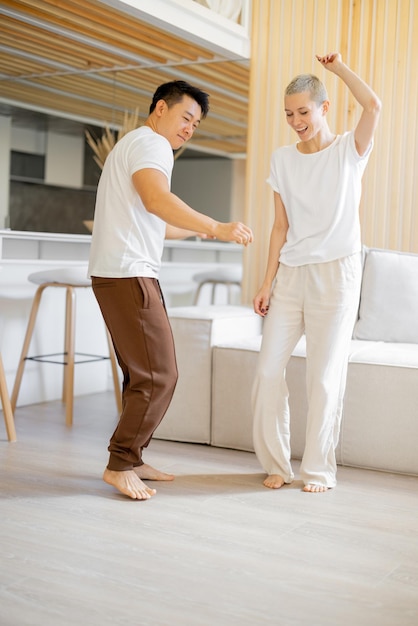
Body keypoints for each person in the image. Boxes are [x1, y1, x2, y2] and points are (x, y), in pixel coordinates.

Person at [88, 80, 253, 500]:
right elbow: (156, 199)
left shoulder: (134, 145)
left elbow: (157, 221)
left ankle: (134, 457)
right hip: (129, 274)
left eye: (196, 124)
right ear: (160, 108)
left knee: (139, 376)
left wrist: (205, 234)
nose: (189, 129)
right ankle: (120, 463)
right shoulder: (152, 146)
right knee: (159, 376)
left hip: (121, 272)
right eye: (185, 117)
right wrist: (216, 224)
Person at [252, 52, 381, 493]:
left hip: (337, 274)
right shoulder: (283, 160)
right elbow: (280, 227)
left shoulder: (350, 150)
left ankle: (319, 471)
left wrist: (340, 69)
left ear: (324, 108)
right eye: (289, 114)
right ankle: (276, 463)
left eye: (304, 111)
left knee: (324, 378)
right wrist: (267, 281)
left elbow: (374, 107)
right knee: (269, 371)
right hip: (291, 274)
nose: (296, 120)